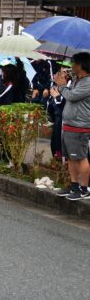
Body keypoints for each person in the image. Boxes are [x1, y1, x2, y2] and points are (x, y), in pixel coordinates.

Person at [53, 52, 90, 200]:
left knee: (80, 158)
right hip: (69, 125)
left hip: (80, 125)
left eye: (73, 63)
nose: (71, 67)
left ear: (81, 65)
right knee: (70, 157)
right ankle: (74, 186)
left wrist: (61, 86)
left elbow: (71, 96)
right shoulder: (78, 80)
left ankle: (84, 188)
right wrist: (63, 82)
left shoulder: (88, 82)